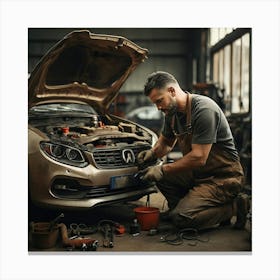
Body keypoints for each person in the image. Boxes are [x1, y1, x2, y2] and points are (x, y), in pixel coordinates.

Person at [137, 71, 248, 230]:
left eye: (159, 101)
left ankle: (233, 207)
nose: (158, 107)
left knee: (183, 219)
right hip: (197, 173)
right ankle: (181, 208)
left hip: (222, 177)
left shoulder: (204, 109)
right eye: (155, 103)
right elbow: (166, 144)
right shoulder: (172, 113)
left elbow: (199, 157)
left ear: (172, 91)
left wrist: (163, 169)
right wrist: (152, 153)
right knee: (159, 176)